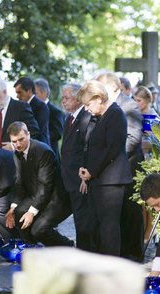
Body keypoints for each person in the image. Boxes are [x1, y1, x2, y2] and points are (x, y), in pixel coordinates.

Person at [78, 80, 132, 256]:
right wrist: (86, 169)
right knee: (98, 224)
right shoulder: (100, 117)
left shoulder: (116, 114)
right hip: (99, 178)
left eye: (88, 104)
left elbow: (112, 148)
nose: (86, 109)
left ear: (99, 98)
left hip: (112, 179)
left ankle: (111, 265)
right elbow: (92, 147)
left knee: (109, 226)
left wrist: (91, 170)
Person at [96, 73, 144, 260]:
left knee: (130, 211)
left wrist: (109, 156)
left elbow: (133, 139)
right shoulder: (103, 106)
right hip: (108, 168)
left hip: (128, 166)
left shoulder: (129, 105)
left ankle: (134, 252)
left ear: (114, 88)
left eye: (101, 87)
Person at [5, 121, 73, 246]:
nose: (18, 145)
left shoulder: (43, 152)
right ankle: (31, 247)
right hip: (38, 194)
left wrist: (31, 212)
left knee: (39, 229)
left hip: (57, 197)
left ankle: (66, 245)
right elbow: (19, 183)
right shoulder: (17, 154)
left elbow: (46, 186)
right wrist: (13, 207)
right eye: (14, 142)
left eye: (21, 139)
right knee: (18, 213)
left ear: (29, 135)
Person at [60, 83, 93, 251]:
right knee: (78, 219)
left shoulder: (86, 117)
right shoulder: (69, 117)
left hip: (80, 178)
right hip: (69, 177)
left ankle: (85, 253)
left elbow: (87, 148)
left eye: (67, 98)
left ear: (79, 99)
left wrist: (85, 176)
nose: (63, 101)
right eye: (63, 97)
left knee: (83, 220)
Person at [0, 77, 41, 150]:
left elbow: (33, 132)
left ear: (4, 92)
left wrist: (14, 146)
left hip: (15, 157)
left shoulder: (21, 107)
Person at [34, 78, 64, 162]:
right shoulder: (31, 109)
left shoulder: (55, 111)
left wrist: (39, 137)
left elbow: (57, 133)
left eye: (35, 93)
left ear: (44, 93)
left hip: (50, 156)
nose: (33, 96)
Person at [14, 77, 50, 145]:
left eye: (20, 92)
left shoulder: (41, 106)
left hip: (39, 147)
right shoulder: (21, 106)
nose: (17, 96)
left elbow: (38, 130)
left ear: (29, 91)